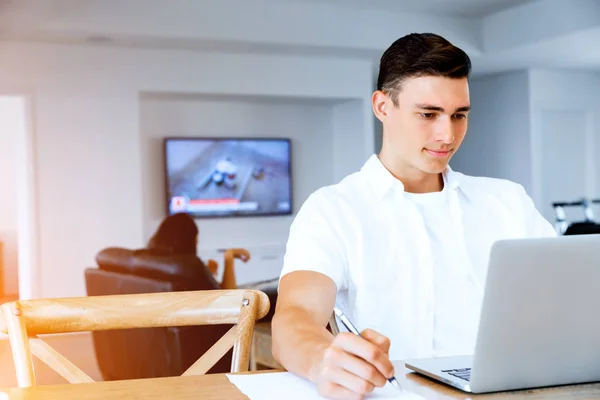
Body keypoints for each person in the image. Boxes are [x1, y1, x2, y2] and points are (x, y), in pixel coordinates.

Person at [271, 32, 556, 400]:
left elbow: (567, 300)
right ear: (382, 106)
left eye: (459, 115)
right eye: (428, 114)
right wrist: (320, 358)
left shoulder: (508, 201)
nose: (447, 134)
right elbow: (295, 318)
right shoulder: (332, 210)